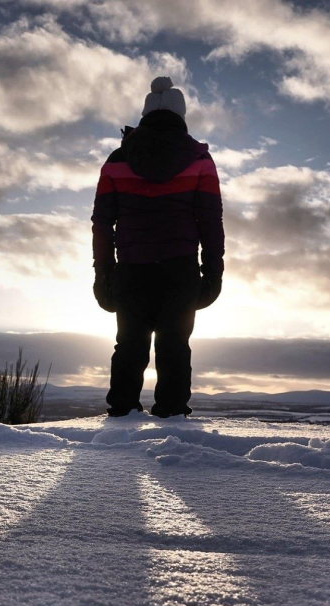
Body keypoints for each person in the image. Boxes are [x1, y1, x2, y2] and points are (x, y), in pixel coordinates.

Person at [90, 76, 224, 418]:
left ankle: (120, 417)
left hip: (131, 267)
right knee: (175, 344)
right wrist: (213, 271)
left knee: (129, 346)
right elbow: (210, 221)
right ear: (181, 116)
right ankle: (173, 418)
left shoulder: (117, 161)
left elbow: (103, 223)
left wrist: (102, 272)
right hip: (179, 268)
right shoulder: (199, 161)